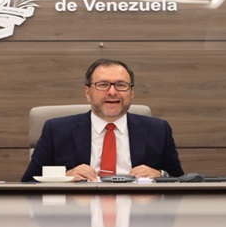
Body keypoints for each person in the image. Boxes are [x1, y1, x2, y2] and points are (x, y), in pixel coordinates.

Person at [22, 58, 183, 182]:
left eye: (121, 85)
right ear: (88, 92)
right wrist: (65, 177)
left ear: (132, 92)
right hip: (77, 212)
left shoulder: (158, 130)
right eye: (103, 85)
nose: (112, 92)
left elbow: (181, 181)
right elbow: (28, 183)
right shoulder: (57, 130)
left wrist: (161, 175)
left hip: (138, 211)